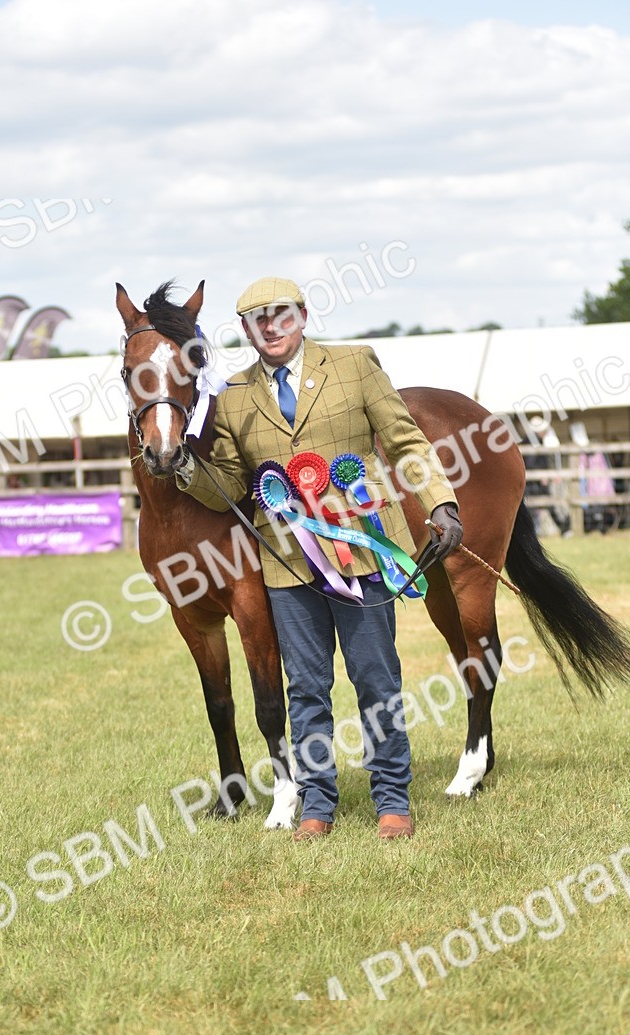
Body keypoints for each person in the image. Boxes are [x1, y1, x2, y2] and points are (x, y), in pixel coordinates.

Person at [174, 277, 462, 842]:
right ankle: (317, 804)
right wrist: (187, 468)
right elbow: (229, 484)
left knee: (376, 679)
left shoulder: (355, 365)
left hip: (363, 552)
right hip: (287, 564)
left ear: (302, 316)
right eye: (258, 319)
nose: (271, 327)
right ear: (246, 330)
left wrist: (440, 502)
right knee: (305, 687)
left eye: (280, 314)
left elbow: (405, 441)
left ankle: (392, 800)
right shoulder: (233, 395)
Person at [522, 415, 571, 537]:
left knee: (542, 505)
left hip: (536, 481)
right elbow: (531, 463)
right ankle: (564, 528)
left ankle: (563, 528)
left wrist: (548, 474)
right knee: (538, 506)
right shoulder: (531, 443)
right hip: (534, 482)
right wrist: (542, 475)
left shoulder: (535, 442)